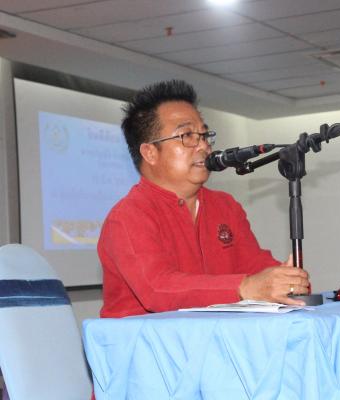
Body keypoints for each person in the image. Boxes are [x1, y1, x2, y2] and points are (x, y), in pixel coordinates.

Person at [98, 80, 310, 318]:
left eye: (204, 134)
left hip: (215, 335)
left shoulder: (224, 206)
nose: (203, 145)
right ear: (150, 153)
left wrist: (285, 280)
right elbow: (157, 288)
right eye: (187, 135)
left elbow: (253, 266)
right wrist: (244, 287)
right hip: (147, 340)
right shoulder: (128, 217)